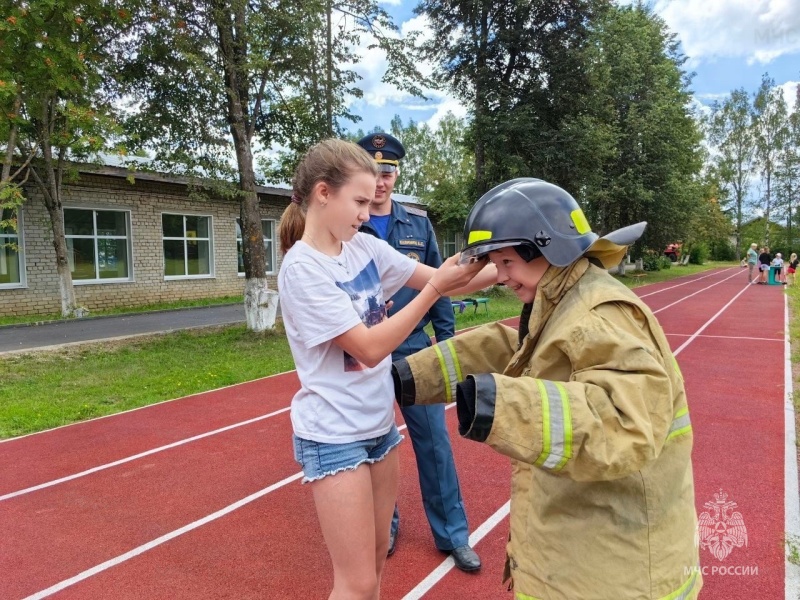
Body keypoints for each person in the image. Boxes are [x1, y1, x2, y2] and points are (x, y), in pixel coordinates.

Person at [391, 178, 702, 599]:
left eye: (505, 263)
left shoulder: (600, 314)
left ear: (546, 248)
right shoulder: (562, 300)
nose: (499, 277)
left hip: (611, 571)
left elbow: (623, 422)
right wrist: (409, 376)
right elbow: (515, 352)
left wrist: (497, 405)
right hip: (580, 550)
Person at [276, 138, 494, 600]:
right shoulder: (303, 270)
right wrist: (435, 290)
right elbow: (370, 348)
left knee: (374, 567)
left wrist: (516, 259)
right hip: (335, 438)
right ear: (322, 193)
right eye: (357, 200)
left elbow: (443, 273)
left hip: (379, 428)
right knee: (354, 584)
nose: (365, 212)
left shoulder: (363, 249)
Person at [356, 132, 480, 571]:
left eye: (387, 172)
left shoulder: (417, 223)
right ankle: (384, 526)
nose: (380, 182)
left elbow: (441, 285)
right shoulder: (349, 225)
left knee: (434, 444)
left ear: (395, 174)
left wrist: (445, 344)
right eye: (372, 173)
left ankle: (453, 534)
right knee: (374, 445)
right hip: (366, 352)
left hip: (413, 350)